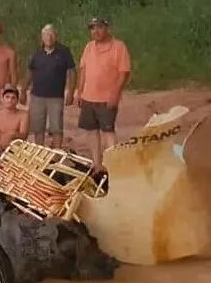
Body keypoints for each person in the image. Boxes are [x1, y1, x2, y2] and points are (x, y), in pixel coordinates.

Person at [75, 17, 132, 173]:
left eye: (99, 27)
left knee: (108, 131)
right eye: (92, 28)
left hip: (107, 98)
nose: (96, 31)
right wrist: (79, 92)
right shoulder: (89, 47)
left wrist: (115, 94)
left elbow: (123, 73)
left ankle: (114, 166)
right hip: (88, 96)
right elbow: (83, 70)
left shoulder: (118, 47)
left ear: (107, 28)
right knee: (91, 131)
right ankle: (97, 164)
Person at [22, 24, 75, 148]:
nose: (49, 38)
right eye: (46, 35)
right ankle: (39, 151)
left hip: (56, 96)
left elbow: (71, 72)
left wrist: (71, 92)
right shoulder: (37, 53)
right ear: (42, 37)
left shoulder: (64, 52)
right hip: (37, 96)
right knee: (38, 127)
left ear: (56, 36)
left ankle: (57, 152)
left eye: (51, 35)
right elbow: (29, 72)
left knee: (56, 126)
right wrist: (23, 90)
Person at [0, 85, 28, 162]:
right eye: (7, 97)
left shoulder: (23, 115)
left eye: (13, 98)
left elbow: (24, 135)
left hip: (17, 151)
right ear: (2, 99)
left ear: (17, 100)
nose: (10, 100)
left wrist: (13, 134)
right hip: (0, 151)